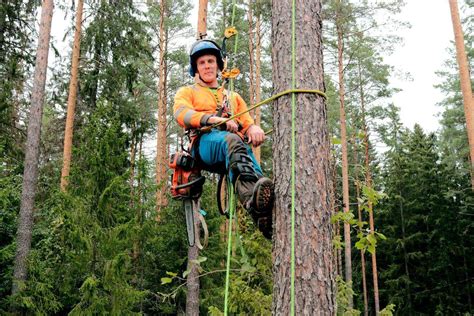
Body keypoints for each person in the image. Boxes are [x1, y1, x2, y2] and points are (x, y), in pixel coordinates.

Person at [173, 39, 274, 239]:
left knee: (258, 176)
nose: (207, 66)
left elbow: (246, 121)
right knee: (232, 142)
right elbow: (181, 113)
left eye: (211, 61)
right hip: (204, 143)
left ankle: (266, 218)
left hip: (232, 148)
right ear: (196, 68)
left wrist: (254, 128)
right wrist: (211, 119)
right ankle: (252, 201)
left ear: (218, 65)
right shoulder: (188, 92)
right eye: (202, 63)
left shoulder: (232, 97)